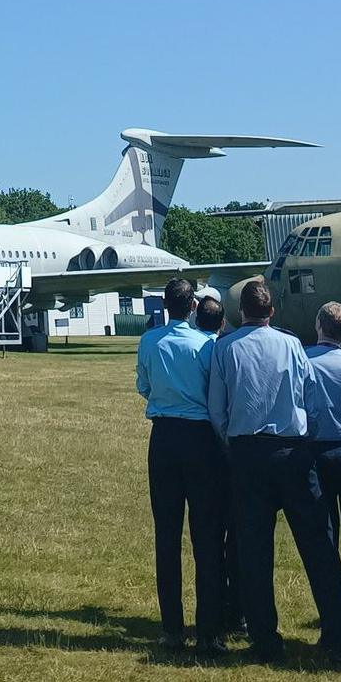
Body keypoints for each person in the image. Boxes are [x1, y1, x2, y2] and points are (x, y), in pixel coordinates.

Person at [208, 278, 341, 666]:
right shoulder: (291, 344)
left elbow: (217, 408)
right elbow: (306, 391)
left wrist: (232, 441)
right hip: (292, 451)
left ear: (242, 313)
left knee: (254, 550)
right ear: (272, 312)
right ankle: (337, 633)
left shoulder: (225, 348)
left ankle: (264, 636)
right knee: (319, 546)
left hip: (247, 452)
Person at [135, 276, 226, 653]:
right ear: (192, 307)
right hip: (200, 438)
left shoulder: (149, 341)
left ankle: (172, 627)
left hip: (164, 438)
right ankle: (209, 630)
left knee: (166, 535)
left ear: (164, 305)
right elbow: (215, 392)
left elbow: (143, 386)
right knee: (206, 535)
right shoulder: (206, 346)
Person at [195, 294, 242, 632]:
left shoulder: (208, 350)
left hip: (206, 447)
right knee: (239, 535)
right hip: (236, 450)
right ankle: (238, 612)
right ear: (223, 321)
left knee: (209, 536)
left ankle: (214, 611)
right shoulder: (228, 348)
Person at [305, 302, 341, 579]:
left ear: (319, 326)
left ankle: (334, 608)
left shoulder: (303, 360)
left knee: (325, 537)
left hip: (315, 453)